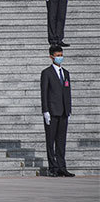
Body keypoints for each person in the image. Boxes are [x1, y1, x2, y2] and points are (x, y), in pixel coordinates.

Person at [40, 45, 74, 177]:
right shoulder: (46, 73)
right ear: (51, 57)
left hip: (64, 111)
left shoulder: (66, 73)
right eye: (57, 55)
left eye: (61, 55)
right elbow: (44, 93)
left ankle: (62, 167)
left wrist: (69, 109)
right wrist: (45, 111)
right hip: (52, 112)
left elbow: (67, 92)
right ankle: (52, 167)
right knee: (51, 140)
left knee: (61, 141)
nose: (60, 57)